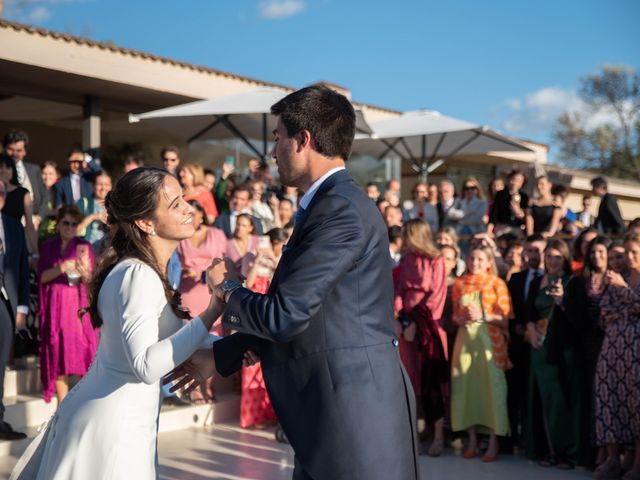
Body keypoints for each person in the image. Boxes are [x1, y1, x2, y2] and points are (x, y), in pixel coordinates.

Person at [183, 86, 419, 479]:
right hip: (332, 416)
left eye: (277, 138)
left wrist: (228, 288)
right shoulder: (328, 205)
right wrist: (221, 357)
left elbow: (286, 314)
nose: (273, 152)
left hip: (354, 419)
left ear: (303, 140)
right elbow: (311, 311)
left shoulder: (340, 210)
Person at [10, 168, 232, 480]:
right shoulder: (138, 275)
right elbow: (145, 364)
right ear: (145, 222)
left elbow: (174, 339)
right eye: (175, 203)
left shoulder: (145, 271)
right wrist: (214, 307)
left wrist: (232, 345)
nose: (188, 208)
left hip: (124, 419)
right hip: (112, 425)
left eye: (184, 198)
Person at [525, 239, 584, 469]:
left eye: (558, 256)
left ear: (565, 258)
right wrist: (531, 331)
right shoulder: (537, 281)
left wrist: (562, 301)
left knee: (559, 400)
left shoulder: (573, 282)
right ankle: (545, 450)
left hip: (561, 351)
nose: (552, 261)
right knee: (540, 399)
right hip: (538, 348)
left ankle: (566, 451)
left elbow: (578, 318)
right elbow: (528, 313)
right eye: (549, 256)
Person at [450, 245, 512, 462]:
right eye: (472, 258)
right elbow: (455, 316)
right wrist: (460, 319)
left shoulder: (497, 284)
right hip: (465, 343)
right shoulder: (459, 284)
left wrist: (484, 315)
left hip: (490, 344)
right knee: (466, 389)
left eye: (480, 259)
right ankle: (472, 439)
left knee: (493, 390)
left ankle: (494, 441)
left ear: (488, 262)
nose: (475, 262)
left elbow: (505, 319)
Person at [394, 219, 447, 457]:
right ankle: (413, 435)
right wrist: (397, 318)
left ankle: (438, 436)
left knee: (432, 381)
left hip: (429, 328)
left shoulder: (437, 260)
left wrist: (416, 322)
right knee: (409, 382)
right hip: (406, 326)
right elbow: (397, 289)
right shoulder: (406, 260)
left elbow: (437, 296)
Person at [37, 205, 98, 404]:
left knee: (80, 353)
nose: (70, 227)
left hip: (75, 308)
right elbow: (42, 277)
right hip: (55, 308)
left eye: (74, 223)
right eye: (66, 222)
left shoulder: (84, 246)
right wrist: (62, 267)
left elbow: (92, 281)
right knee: (57, 354)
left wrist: (86, 273)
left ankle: (84, 404)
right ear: (58, 224)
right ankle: (61, 407)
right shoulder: (48, 247)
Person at [592, 232, 640, 480]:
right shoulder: (617, 278)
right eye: (626, 252)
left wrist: (625, 293)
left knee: (636, 402)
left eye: (634, 252)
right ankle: (612, 458)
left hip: (636, 348)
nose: (629, 257)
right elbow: (605, 310)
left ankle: (637, 462)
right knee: (608, 397)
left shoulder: (627, 281)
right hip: (612, 346)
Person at [565, 235, 611, 469]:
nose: (597, 257)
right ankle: (587, 455)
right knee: (586, 401)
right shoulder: (578, 282)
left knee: (606, 402)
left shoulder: (615, 281)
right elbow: (574, 315)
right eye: (594, 252)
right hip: (585, 348)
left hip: (611, 346)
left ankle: (606, 454)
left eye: (602, 252)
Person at [239, 229, 288, 429]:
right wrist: (258, 260)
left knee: (267, 366)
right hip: (254, 314)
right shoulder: (250, 258)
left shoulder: (278, 260)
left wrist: (273, 260)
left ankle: (269, 412)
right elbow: (248, 283)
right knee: (251, 367)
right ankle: (251, 417)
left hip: (269, 314)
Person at [505, 234, 546, 453]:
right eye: (530, 250)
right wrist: (518, 327)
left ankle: (536, 441)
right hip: (519, 344)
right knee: (515, 392)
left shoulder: (552, 278)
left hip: (543, 344)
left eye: (538, 250)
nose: (533, 255)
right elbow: (509, 310)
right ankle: (512, 439)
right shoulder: (517, 278)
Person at [0, 179, 30, 441]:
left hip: (6, 303)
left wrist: (22, 306)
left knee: (0, 364)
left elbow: (21, 269)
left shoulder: (13, 227)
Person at [176, 200, 227, 336]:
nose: (190, 218)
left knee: (213, 333)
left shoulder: (216, 234)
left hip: (210, 290)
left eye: (193, 214)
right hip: (187, 290)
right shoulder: (179, 236)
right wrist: (182, 272)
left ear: (202, 215)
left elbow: (223, 261)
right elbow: (173, 263)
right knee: (187, 333)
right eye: (186, 214)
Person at [2, 130, 47, 220]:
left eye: (18, 150)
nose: (14, 154)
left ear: (25, 152)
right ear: (4, 149)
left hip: (32, 222)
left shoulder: (34, 170)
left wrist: (39, 218)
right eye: (11, 149)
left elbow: (45, 196)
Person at [0, 153, 38, 255]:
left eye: (8, 167)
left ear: (13, 170)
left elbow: (30, 225)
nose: (3, 171)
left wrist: (36, 253)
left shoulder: (23, 193)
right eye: (0, 167)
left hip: (15, 239)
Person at [76, 171, 112, 252]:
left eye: (107, 185)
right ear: (93, 186)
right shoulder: (83, 203)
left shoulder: (117, 205)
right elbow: (73, 230)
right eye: (100, 184)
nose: (103, 188)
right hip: (86, 252)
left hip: (109, 253)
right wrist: (93, 217)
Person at [489, 169, 528, 236]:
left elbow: (526, 217)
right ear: (509, 179)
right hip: (502, 228)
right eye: (513, 179)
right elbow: (494, 214)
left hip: (517, 229)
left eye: (519, 181)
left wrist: (518, 212)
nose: (515, 183)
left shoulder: (524, 197)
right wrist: (489, 231)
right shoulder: (500, 194)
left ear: (522, 183)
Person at [38, 161, 60, 240]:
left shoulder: (60, 192)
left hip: (57, 234)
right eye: (44, 173)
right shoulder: (36, 192)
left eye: (51, 174)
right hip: (39, 234)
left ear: (57, 175)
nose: (47, 177)